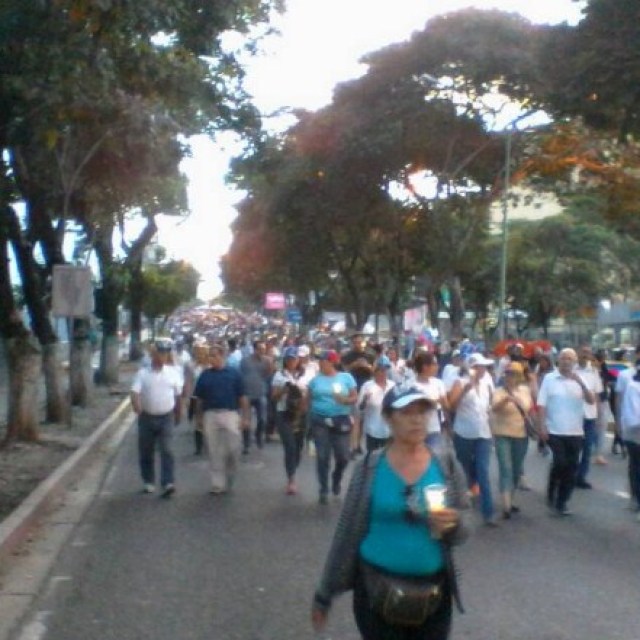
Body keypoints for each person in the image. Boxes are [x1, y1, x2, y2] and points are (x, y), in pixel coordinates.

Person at [311, 387, 469, 640]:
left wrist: (455, 523)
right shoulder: (370, 467)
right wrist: (324, 594)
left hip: (434, 594)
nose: (417, 420)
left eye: (422, 412)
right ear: (387, 418)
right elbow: (348, 531)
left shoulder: (445, 463)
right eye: (406, 413)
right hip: (376, 592)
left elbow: (463, 528)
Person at [537, 348, 596, 516]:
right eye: (563, 358)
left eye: (570, 358)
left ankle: (562, 501)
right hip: (555, 430)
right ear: (558, 361)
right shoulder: (550, 379)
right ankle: (552, 490)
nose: (566, 361)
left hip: (575, 432)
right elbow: (542, 404)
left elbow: (591, 402)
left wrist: (581, 384)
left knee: (571, 468)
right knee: (560, 463)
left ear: (575, 362)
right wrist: (542, 427)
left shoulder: (581, 379)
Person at [193, 344, 251, 495]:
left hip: (230, 413)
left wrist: (245, 417)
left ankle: (230, 476)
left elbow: (242, 396)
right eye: (210, 356)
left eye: (214, 355)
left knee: (234, 447)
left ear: (222, 356)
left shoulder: (234, 374)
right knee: (213, 450)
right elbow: (199, 399)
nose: (211, 359)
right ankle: (217, 484)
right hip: (210, 414)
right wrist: (198, 417)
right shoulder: (205, 375)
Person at [448, 352, 496, 526]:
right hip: (464, 433)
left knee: (483, 470)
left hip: (483, 433)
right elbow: (452, 405)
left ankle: (488, 512)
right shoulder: (460, 383)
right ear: (471, 368)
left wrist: (493, 429)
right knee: (464, 469)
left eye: (483, 367)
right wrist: (464, 391)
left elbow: (490, 405)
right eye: (478, 367)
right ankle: (462, 501)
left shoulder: (487, 382)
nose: (482, 370)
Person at [130, 341, 182, 497]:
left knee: (167, 450)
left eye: (165, 354)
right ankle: (148, 481)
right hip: (147, 417)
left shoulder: (173, 373)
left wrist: (179, 413)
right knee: (146, 450)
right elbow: (135, 392)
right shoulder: (143, 374)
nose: (163, 357)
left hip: (166, 417)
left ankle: (168, 482)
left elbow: (178, 395)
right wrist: (137, 407)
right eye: (160, 353)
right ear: (153, 355)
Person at [308, 350, 358, 504]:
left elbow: (354, 397)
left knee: (343, 456)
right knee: (322, 456)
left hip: (340, 419)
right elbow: (308, 399)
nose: (321, 363)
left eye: (324, 361)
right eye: (320, 361)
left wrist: (346, 400)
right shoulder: (315, 380)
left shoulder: (346, 378)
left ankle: (337, 477)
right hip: (320, 420)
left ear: (332, 362)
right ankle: (323, 488)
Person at [490, 361, 533, 519]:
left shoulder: (525, 391)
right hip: (502, 434)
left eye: (514, 374)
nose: (510, 377)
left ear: (519, 377)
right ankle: (506, 505)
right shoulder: (498, 391)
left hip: (521, 435)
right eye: (508, 374)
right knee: (505, 468)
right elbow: (494, 408)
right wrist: (506, 399)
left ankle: (512, 498)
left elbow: (528, 408)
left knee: (516, 470)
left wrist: (517, 399)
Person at [271, 346, 308, 495]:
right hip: (284, 413)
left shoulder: (305, 374)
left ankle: (293, 466)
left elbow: (309, 393)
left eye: (294, 358)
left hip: (301, 414)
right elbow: (273, 397)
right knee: (290, 446)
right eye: (289, 359)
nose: (292, 361)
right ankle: (291, 479)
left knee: (298, 446)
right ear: (285, 360)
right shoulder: (279, 376)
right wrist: (284, 390)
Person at [575, 345, 604, 489]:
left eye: (588, 352)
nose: (585, 355)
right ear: (578, 353)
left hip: (590, 415)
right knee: (574, 448)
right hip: (574, 415)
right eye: (583, 352)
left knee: (587, 448)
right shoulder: (572, 370)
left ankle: (581, 477)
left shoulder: (593, 371)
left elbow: (597, 394)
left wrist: (599, 415)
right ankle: (570, 475)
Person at [239, 339, 273, 453]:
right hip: (247, 394)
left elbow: (269, 374)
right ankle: (246, 444)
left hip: (260, 393)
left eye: (263, 349)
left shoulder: (266, 361)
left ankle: (259, 436)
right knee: (246, 420)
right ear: (254, 349)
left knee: (262, 419)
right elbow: (240, 375)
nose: (262, 351)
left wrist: (269, 364)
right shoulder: (245, 361)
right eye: (259, 349)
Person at [412, 351, 450, 451]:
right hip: (416, 430)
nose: (437, 367)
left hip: (434, 429)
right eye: (434, 364)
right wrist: (431, 402)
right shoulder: (411, 385)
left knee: (434, 458)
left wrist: (448, 427)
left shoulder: (438, 383)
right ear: (425, 367)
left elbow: (446, 405)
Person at [357, 356, 395, 452]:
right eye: (380, 370)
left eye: (385, 370)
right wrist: (365, 400)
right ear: (375, 371)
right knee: (371, 460)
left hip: (389, 430)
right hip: (372, 430)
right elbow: (360, 408)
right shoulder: (367, 386)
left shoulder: (393, 386)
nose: (383, 373)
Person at [619, 359, 640, 517]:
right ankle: (636, 497)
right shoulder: (633, 387)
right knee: (636, 465)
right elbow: (633, 414)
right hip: (635, 433)